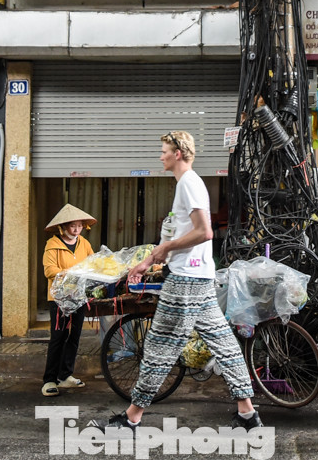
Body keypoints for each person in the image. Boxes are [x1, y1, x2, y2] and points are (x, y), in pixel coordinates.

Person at [98, 131, 261, 432]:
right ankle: (248, 413)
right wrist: (149, 260)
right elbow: (176, 234)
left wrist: (166, 249)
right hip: (196, 278)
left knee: (160, 346)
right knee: (224, 343)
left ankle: (131, 419)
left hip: (186, 281)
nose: (160, 156)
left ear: (178, 154)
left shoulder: (189, 183)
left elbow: (204, 232)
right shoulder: (185, 185)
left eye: (163, 151)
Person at [42, 203, 96, 397]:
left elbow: (93, 263)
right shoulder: (53, 245)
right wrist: (73, 274)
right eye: (72, 226)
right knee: (58, 338)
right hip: (59, 298)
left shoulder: (84, 243)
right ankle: (49, 380)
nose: (76, 229)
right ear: (63, 227)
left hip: (78, 297)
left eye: (79, 225)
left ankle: (65, 376)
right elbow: (49, 271)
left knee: (74, 337)